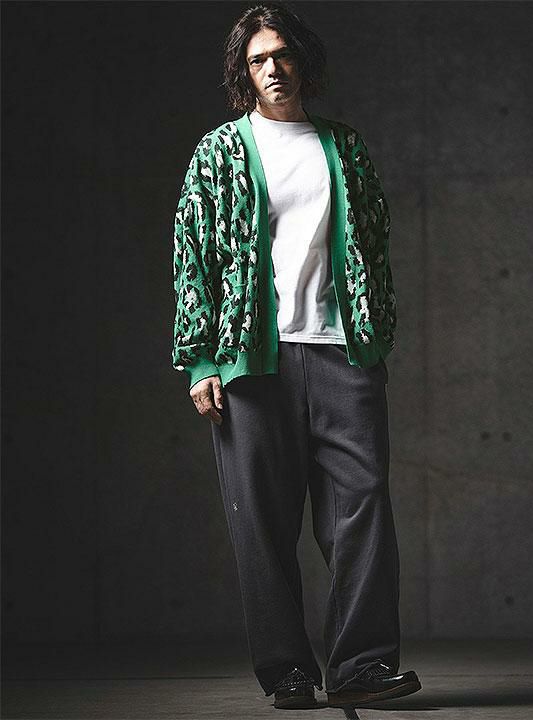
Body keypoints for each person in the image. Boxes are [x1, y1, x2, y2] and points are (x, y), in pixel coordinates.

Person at [172, 2, 422, 710]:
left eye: (281, 54)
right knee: (261, 520)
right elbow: (193, 258)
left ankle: (362, 665)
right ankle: (286, 669)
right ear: (243, 72)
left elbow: (373, 243)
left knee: (362, 510)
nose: (273, 69)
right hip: (252, 363)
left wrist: (375, 334)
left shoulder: (344, 146)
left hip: (343, 354)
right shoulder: (220, 153)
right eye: (257, 59)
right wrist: (201, 361)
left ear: (302, 60)